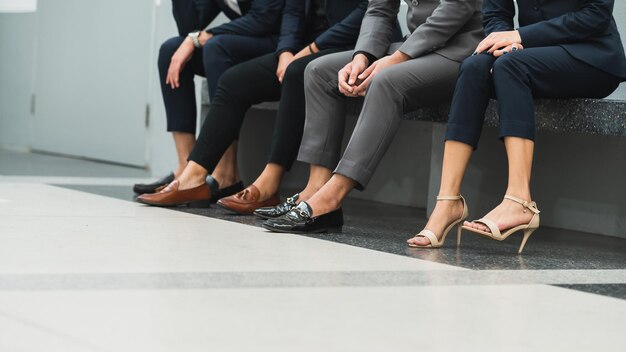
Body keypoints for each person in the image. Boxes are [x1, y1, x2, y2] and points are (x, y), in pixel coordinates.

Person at [404, 0, 626, 253]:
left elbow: (595, 15)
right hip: (532, 55)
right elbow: (496, 13)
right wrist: (508, 41)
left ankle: (520, 200)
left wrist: (521, 36)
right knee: (473, 67)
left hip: (592, 55)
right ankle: (447, 202)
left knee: (510, 65)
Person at [260, 0, 483, 233]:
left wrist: (399, 57)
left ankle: (332, 197)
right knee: (319, 72)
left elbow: (457, 6)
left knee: (386, 81)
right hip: (416, 45)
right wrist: (362, 57)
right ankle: (316, 188)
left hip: (460, 49)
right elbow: (379, 9)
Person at [136, 0, 371, 210]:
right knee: (233, 81)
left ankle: (269, 183)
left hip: (355, 45)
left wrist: (309, 50)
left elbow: (367, 12)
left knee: (297, 71)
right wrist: (286, 51)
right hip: (302, 45)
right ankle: (191, 175)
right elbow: (293, 10)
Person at [133, 0, 284, 198]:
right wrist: (193, 37)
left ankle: (226, 174)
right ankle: (186, 169)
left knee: (216, 46)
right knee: (171, 49)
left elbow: (265, 17)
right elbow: (189, 27)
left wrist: (200, 37)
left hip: (280, 43)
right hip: (246, 41)